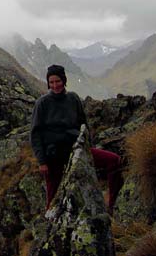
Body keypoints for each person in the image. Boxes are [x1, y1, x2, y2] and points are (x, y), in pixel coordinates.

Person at [30, 64, 124, 213]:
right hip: (53, 156)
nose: (55, 85)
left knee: (113, 161)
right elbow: (35, 134)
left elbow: (83, 124)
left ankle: (112, 205)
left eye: (58, 81)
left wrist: (88, 148)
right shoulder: (42, 103)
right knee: (53, 199)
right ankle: (50, 229)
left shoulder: (73, 99)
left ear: (64, 80)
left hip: (77, 149)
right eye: (51, 82)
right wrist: (42, 162)